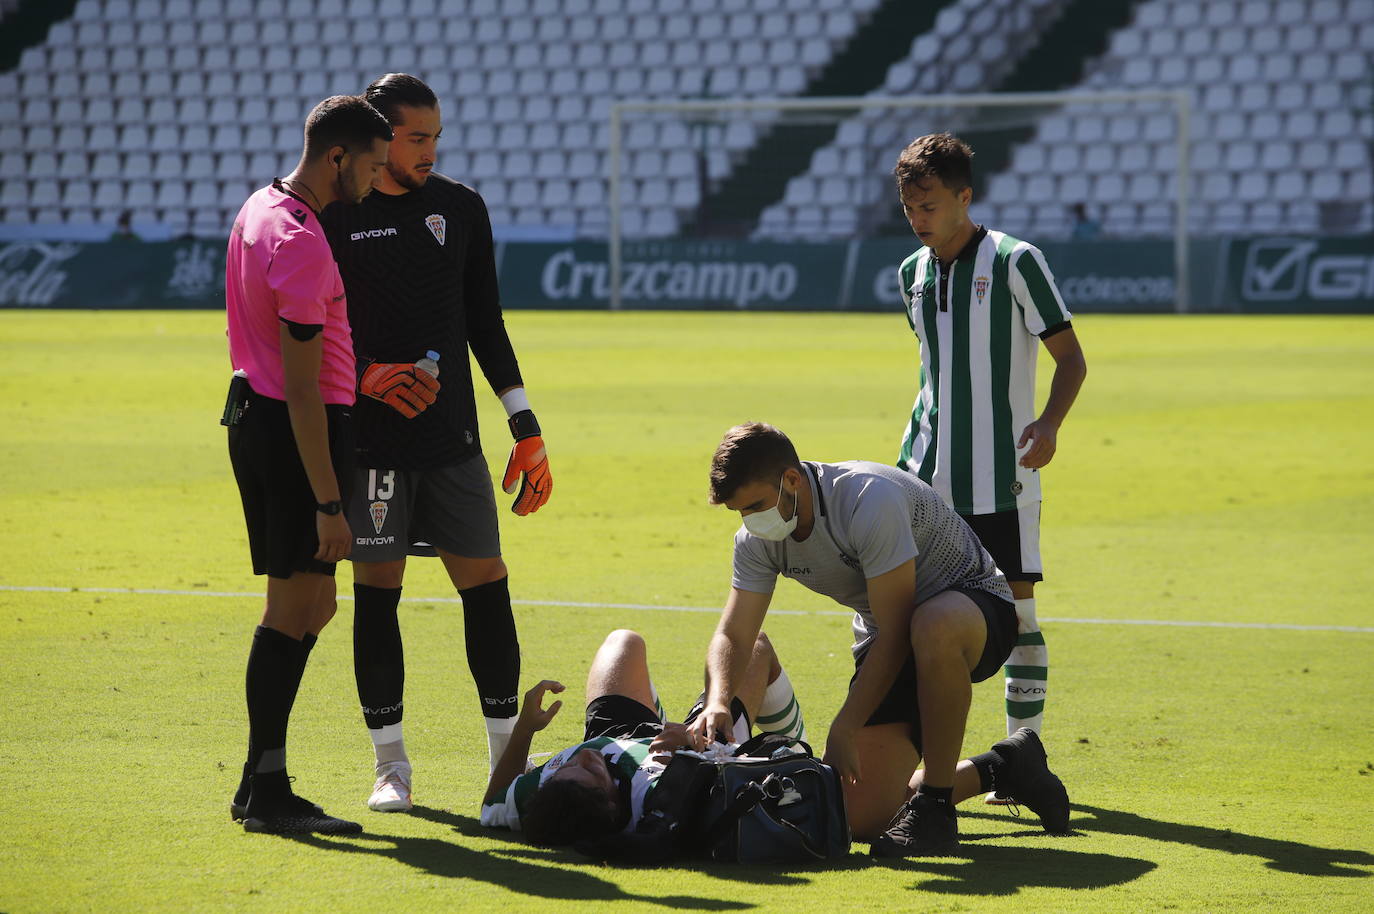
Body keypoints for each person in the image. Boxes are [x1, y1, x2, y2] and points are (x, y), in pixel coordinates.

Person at [318, 73, 552, 815]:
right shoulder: (333, 219)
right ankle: (390, 765)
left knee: (486, 582)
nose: (428, 151)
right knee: (377, 593)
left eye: (435, 138)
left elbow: (486, 321)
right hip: (373, 448)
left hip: (452, 440)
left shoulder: (460, 208)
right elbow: (311, 336)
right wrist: (367, 377)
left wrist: (524, 422)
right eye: (415, 138)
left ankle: (506, 762)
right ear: (378, 140)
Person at [691, 422, 1070, 856]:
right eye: (739, 512)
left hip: (975, 610)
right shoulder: (757, 538)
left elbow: (896, 630)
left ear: (791, 480)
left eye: (755, 505)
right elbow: (735, 632)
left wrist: (845, 725)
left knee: (931, 623)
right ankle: (1003, 767)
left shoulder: (869, 500)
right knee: (858, 817)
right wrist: (718, 700)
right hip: (893, 635)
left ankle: (935, 813)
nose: (750, 521)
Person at [891, 134, 1087, 804]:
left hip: (1002, 478)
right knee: (910, 623)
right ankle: (912, 758)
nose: (917, 216)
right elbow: (934, 373)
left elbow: (1072, 359)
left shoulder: (1015, 262)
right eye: (909, 205)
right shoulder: (909, 275)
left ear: (964, 198)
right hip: (923, 480)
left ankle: (1019, 751)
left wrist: (1051, 424)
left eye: (930, 204)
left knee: (1020, 618)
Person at [223, 94, 393, 835]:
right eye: (371, 165)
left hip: (270, 424)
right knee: (292, 608)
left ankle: (262, 782)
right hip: (297, 436)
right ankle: (265, 788)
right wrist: (329, 503)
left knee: (313, 605)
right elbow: (299, 391)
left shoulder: (260, 209)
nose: (375, 179)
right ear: (336, 158)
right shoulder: (301, 242)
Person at [481, 628, 807, 846]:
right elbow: (738, 774)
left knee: (624, 642)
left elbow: (491, 806)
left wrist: (524, 728)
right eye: (592, 771)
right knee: (752, 646)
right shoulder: (662, 797)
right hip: (699, 748)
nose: (582, 758)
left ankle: (655, 721)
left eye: (565, 769)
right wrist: (696, 746)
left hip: (613, 735)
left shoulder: (549, 799)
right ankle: (803, 760)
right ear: (613, 804)